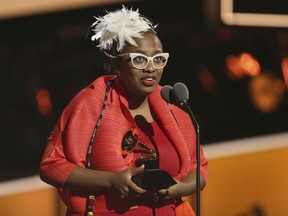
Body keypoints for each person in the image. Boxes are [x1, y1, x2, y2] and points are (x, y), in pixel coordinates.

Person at [39, 5, 209, 216]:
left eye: (158, 59)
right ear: (115, 63)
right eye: (139, 59)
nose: (150, 67)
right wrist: (111, 181)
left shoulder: (173, 107)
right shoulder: (91, 103)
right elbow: (51, 166)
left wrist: (179, 188)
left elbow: (199, 169)